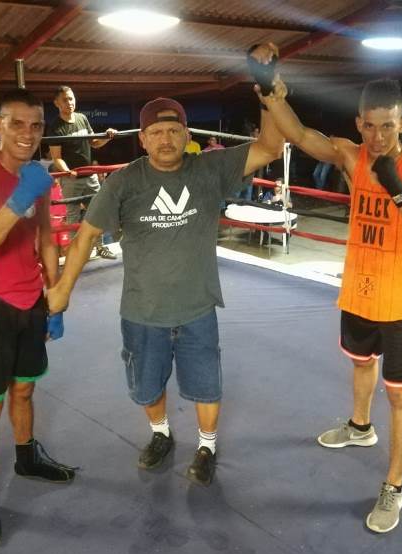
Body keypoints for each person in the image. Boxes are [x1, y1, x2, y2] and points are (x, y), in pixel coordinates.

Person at [47, 84, 283, 487]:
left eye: (173, 131)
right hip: (143, 310)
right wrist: (63, 289)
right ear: (142, 139)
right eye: (156, 132)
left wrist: (268, 94)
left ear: (186, 135)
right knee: (147, 384)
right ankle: (161, 434)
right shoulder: (123, 182)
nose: (165, 139)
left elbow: (271, 146)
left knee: (206, 384)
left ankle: (207, 446)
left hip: (197, 305)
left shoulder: (210, 168)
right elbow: (86, 235)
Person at [261, 72, 402, 533]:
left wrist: (397, 190)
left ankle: (393, 485)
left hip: (400, 300)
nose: (378, 137)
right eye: (370, 126)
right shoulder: (350, 154)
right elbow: (299, 134)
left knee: (399, 394)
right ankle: (360, 428)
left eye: (388, 126)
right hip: (360, 289)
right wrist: (269, 92)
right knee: (361, 364)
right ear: (359, 123)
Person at [0, 89, 75, 545]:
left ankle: (27, 457)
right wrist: (20, 196)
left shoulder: (37, 173)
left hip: (31, 301)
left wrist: (55, 294)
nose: (28, 133)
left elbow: (45, 236)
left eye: (37, 125)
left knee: (24, 389)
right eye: (17, 123)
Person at [48, 85, 117, 259]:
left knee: (97, 212)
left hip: (90, 175)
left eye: (71, 98)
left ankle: (100, 247)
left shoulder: (82, 118)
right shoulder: (55, 126)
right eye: (65, 100)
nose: (69, 102)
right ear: (57, 103)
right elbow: (56, 157)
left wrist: (107, 136)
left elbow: (94, 143)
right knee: (73, 216)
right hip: (71, 179)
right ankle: (76, 253)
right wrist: (67, 171)